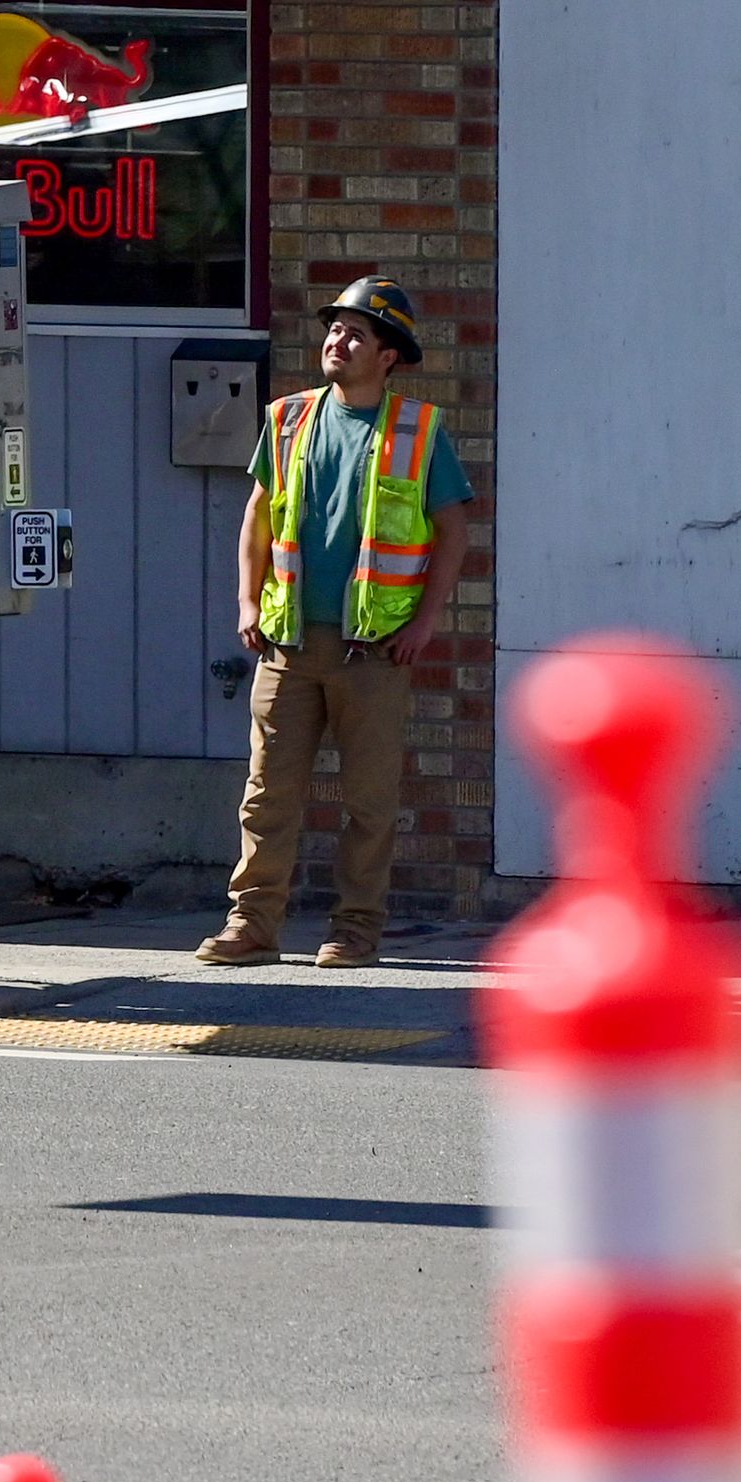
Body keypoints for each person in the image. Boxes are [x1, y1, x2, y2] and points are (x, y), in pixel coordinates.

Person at [198, 275, 476, 972]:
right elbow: (257, 516)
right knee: (267, 797)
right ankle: (252, 927)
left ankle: (354, 932)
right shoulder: (289, 418)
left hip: (375, 650)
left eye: (355, 333)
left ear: (388, 355)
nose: (336, 340)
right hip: (288, 643)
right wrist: (246, 601)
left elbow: (454, 531)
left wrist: (426, 622)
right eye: (334, 329)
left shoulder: (418, 431)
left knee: (369, 803)